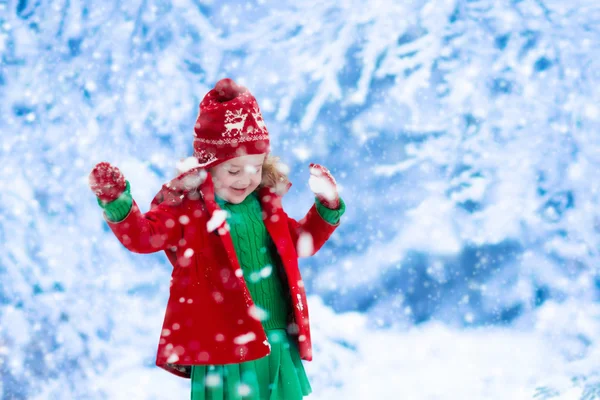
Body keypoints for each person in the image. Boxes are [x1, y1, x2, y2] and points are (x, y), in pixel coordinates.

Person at [88, 78, 346, 399]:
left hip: (277, 338)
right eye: (233, 170)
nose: (247, 179)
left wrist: (328, 207)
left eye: (254, 167)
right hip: (226, 347)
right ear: (208, 167)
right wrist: (119, 205)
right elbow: (145, 237)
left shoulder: (265, 204)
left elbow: (301, 243)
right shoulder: (191, 209)